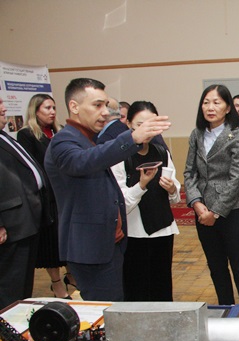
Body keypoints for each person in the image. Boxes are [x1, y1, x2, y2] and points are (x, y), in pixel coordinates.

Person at [44, 78, 170, 301]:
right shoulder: (64, 141)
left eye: (106, 105)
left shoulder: (89, 139)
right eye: (97, 105)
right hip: (89, 248)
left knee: (116, 305)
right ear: (74, 106)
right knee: (106, 310)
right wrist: (132, 138)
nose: (105, 112)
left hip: (108, 244)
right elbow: (84, 162)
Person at [184, 84, 239, 305]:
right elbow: (189, 172)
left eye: (216, 102)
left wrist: (215, 212)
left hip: (234, 212)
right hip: (203, 213)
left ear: (227, 108)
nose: (210, 107)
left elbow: (237, 178)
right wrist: (196, 203)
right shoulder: (196, 135)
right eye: (206, 102)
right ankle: (225, 310)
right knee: (216, 269)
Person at [111, 101, 180, 301]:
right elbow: (121, 204)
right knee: (136, 290)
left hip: (163, 230)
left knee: (162, 288)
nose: (147, 130)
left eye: (152, 125)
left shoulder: (161, 152)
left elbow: (175, 197)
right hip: (134, 234)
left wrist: (172, 188)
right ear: (128, 124)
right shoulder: (119, 156)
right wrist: (141, 185)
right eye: (140, 125)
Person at [17, 94, 73, 299]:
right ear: (35, 110)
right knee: (51, 243)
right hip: (46, 197)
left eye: (54, 108)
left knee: (66, 238)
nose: (52, 112)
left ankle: (71, 275)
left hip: (64, 193)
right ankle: (56, 283)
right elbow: (31, 168)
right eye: (47, 108)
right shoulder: (27, 134)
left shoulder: (60, 131)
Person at [0, 97, 49, 309]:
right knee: (9, 287)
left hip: (25, 221)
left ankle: (18, 319)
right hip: (11, 224)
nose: (4, 108)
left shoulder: (4, 136)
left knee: (22, 286)